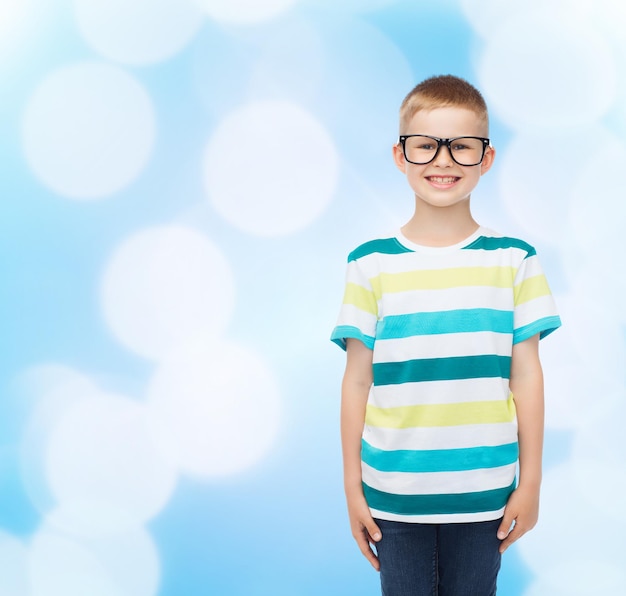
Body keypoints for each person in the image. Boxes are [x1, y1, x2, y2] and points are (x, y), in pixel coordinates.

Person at [330, 74, 561, 595]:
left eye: (461, 146)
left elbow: (526, 375)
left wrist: (532, 482)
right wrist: (352, 487)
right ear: (400, 155)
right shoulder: (369, 264)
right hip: (394, 496)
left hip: (487, 496)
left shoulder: (514, 260)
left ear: (486, 157)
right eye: (426, 145)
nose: (443, 160)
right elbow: (357, 382)